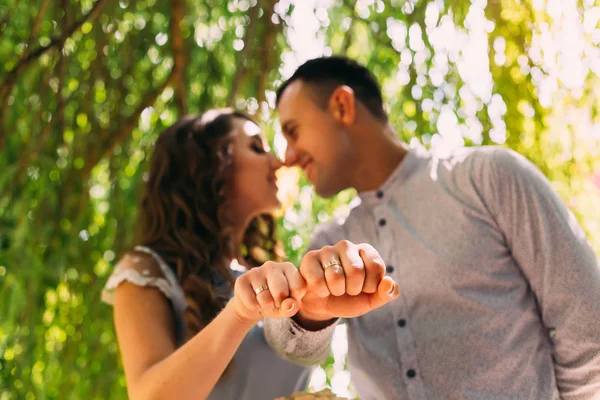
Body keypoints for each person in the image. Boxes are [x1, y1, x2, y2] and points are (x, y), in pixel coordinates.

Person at [264, 56, 600, 399]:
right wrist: (310, 312)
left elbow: (589, 327)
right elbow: (291, 348)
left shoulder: (491, 177)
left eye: (293, 132)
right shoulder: (329, 243)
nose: (288, 157)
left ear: (341, 106)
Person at [101, 109, 399, 400]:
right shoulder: (146, 269)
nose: (278, 162)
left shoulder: (266, 275)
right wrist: (239, 314)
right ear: (210, 164)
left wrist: (316, 311)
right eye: (257, 148)